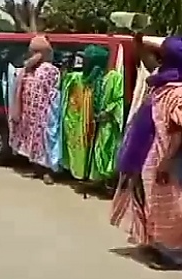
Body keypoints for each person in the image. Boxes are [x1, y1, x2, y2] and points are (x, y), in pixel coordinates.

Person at [111, 36, 182, 270]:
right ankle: (156, 244)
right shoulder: (164, 81)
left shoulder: (178, 92)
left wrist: (166, 162)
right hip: (154, 154)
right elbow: (149, 58)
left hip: (169, 159)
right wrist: (139, 39)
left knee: (170, 205)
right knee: (153, 200)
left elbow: (180, 131)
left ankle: (174, 255)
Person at [61, 45, 124, 183]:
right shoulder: (84, 79)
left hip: (105, 121)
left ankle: (105, 183)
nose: (84, 64)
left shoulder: (114, 78)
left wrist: (108, 112)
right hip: (88, 122)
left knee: (104, 152)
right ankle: (89, 179)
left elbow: (119, 99)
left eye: (87, 61)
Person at [10, 35, 60, 184]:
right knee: (31, 142)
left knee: (44, 144)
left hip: (44, 115)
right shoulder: (26, 70)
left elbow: (55, 91)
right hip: (29, 113)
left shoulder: (49, 70)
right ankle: (37, 170)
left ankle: (47, 172)